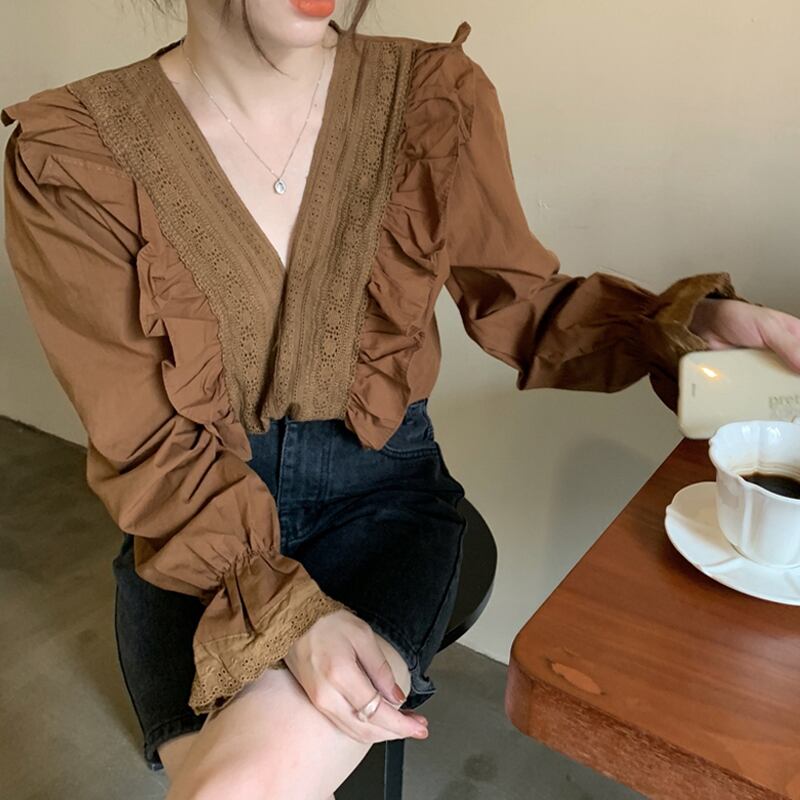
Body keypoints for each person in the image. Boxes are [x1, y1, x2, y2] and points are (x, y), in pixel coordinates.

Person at [3, 0, 800, 797]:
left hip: (382, 506)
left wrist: (688, 325)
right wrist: (287, 617)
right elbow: (148, 442)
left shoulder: (430, 96)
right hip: (197, 537)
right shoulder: (70, 156)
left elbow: (524, 307)